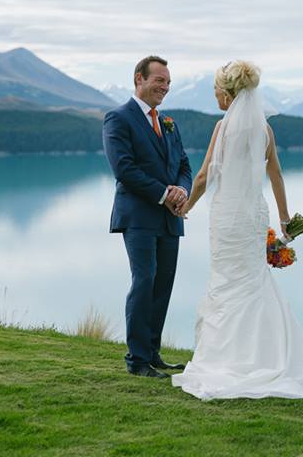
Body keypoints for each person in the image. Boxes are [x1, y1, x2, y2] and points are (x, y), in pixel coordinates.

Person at [170, 60, 303, 400]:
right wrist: (284, 221)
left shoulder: (222, 127)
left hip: (228, 217)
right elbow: (277, 176)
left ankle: (229, 359)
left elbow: (202, 176)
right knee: (252, 282)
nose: (215, 96)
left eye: (216, 91)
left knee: (226, 282)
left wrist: (187, 207)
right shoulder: (265, 130)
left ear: (227, 94)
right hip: (254, 216)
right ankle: (268, 355)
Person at [102, 55, 192, 378]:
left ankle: (153, 353)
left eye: (168, 82)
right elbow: (124, 170)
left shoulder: (168, 123)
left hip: (170, 218)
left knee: (162, 285)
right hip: (138, 216)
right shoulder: (118, 118)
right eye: (159, 80)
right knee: (144, 281)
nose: (164, 87)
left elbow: (183, 165)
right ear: (139, 79)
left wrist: (182, 191)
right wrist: (165, 194)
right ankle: (137, 359)